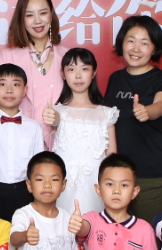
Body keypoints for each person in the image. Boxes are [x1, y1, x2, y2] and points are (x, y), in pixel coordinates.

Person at [0, 0, 69, 145]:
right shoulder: (9, 56)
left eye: (42, 13)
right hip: (19, 143)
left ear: (51, 15)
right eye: (29, 15)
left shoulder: (67, 57)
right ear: (21, 19)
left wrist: (60, 118)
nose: (37, 21)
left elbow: (79, 104)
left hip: (58, 144)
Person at [106, 15, 162, 223]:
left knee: (150, 235)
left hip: (150, 175)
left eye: (144, 43)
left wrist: (148, 111)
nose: (136, 48)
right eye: (131, 40)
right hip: (118, 176)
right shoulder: (115, 79)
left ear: (154, 49)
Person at [45, 47, 118, 217]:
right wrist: (52, 117)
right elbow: (55, 120)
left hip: (97, 185)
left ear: (94, 73)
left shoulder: (106, 113)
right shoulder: (57, 111)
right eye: (71, 69)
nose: (78, 76)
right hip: (64, 184)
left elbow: (112, 155)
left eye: (84, 69)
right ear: (63, 74)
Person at [0, 63, 44, 221]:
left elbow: (38, 164)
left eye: (16, 84)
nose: (9, 90)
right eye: (2, 84)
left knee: (24, 230)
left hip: (25, 190)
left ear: (25, 90)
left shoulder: (34, 127)